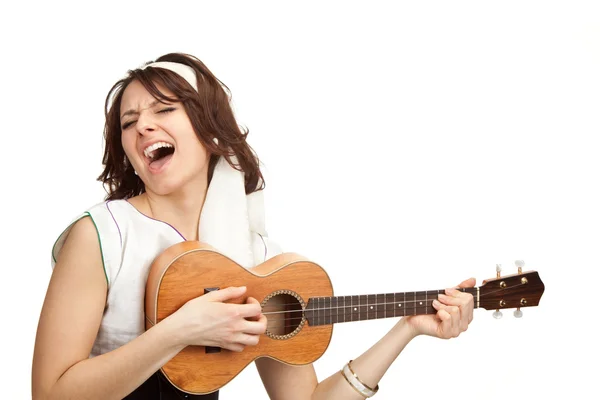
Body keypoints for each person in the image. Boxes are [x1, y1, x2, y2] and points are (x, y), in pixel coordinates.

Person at [31, 52, 476, 400]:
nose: (143, 126)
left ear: (208, 127)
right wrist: (180, 330)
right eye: (129, 122)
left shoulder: (253, 258)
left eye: (163, 110)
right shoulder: (101, 235)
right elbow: (50, 394)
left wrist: (407, 328)